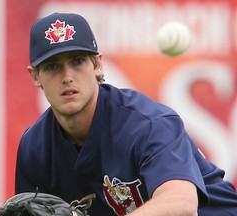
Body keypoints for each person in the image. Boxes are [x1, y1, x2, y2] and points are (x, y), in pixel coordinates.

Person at [15, 12, 237, 216]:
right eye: (52, 66)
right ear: (35, 76)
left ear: (98, 65)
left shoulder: (148, 124)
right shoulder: (35, 147)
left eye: (77, 62)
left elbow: (181, 205)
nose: (67, 76)